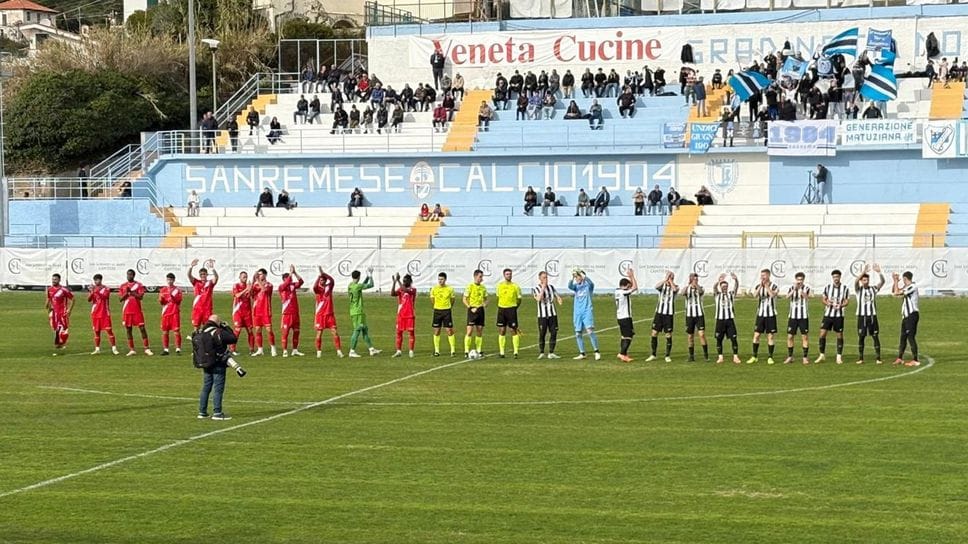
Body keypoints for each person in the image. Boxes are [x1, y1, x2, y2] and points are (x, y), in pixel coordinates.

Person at [195, 314, 247, 421]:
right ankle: (217, 413)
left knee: (206, 387)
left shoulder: (201, 331)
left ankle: (202, 412)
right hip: (218, 363)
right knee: (218, 389)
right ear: (218, 322)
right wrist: (226, 327)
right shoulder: (218, 332)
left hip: (206, 363)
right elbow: (233, 339)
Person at [815, 269, 850, 364]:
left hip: (839, 316)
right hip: (828, 315)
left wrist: (841, 305)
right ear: (832, 278)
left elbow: (847, 301)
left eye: (837, 277)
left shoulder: (845, 288)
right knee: (822, 333)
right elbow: (823, 299)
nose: (836, 278)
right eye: (834, 277)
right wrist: (828, 303)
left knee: (839, 335)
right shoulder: (828, 288)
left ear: (840, 277)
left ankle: (839, 356)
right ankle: (822, 355)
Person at [854, 264, 885, 365]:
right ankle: (861, 358)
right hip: (861, 316)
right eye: (863, 280)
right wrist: (863, 272)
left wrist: (879, 272)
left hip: (872, 316)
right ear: (861, 281)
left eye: (866, 280)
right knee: (861, 337)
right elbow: (855, 281)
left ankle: (878, 358)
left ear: (869, 281)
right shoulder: (859, 290)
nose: (865, 281)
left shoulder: (873, 289)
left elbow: (882, 282)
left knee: (875, 336)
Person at [746, 269, 779, 365]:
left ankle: (770, 357)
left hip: (771, 315)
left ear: (768, 275)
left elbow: (772, 295)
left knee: (770, 336)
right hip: (760, 315)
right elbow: (755, 295)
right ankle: (754, 356)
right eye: (761, 275)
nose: (762, 277)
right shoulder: (758, 286)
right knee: (756, 335)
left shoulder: (774, 286)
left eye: (764, 275)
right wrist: (761, 286)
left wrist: (767, 286)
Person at [119, 269, 153, 356]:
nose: (129, 276)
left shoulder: (139, 285)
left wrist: (132, 293)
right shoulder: (123, 286)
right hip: (127, 311)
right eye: (127, 274)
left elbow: (140, 297)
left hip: (137, 310)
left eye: (130, 275)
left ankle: (147, 348)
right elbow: (120, 299)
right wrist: (126, 293)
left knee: (142, 328)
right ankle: (132, 349)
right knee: (128, 329)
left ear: (134, 276)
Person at [568, 269, 600, 360]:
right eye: (576, 276)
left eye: (578, 276)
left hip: (587, 311)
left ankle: (596, 351)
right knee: (578, 333)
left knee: (590, 331)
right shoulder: (576, 287)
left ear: (582, 277)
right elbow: (569, 286)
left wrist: (583, 276)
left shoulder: (588, 286)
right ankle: (582, 353)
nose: (577, 278)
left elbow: (591, 283)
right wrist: (572, 277)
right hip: (577, 313)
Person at [348, 268, 381, 358]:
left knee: (365, 329)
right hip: (357, 312)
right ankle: (352, 351)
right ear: (359, 277)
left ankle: (371, 349)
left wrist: (367, 277)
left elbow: (362, 285)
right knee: (357, 330)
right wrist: (370, 276)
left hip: (355, 311)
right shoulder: (357, 286)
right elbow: (371, 284)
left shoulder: (351, 285)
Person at [646, 271, 677, 362]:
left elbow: (675, 290)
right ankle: (653, 354)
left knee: (668, 334)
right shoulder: (662, 287)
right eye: (668, 277)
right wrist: (665, 279)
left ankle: (667, 355)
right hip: (659, 313)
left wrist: (671, 281)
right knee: (654, 333)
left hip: (669, 314)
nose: (669, 278)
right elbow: (656, 286)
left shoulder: (675, 287)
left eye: (671, 277)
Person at [313, 267, 344, 358]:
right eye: (320, 280)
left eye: (323, 280)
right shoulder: (318, 289)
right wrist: (319, 276)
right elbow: (314, 287)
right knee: (319, 334)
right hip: (321, 315)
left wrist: (323, 273)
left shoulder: (328, 287)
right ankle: (319, 352)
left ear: (325, 281)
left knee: (335, 332)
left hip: (330, 314)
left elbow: (332, 280)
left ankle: (339, 351)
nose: (321, 281)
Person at [531, 271, 562, 359]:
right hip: (542, 316)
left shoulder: (551, 287)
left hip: (552, 314)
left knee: (554, 332)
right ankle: (541, 352)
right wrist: (543, 288)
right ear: (540, 279)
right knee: (542, 333)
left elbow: (557, 295)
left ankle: (551, 352)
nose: (546, 279)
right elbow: (538, 299)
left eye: (546, 277)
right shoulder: (536, 289)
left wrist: (559, 299)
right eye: (544, 278)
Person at [892, 271, 920, 366]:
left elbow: (896, 292)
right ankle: (900, 358)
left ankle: (915, 360)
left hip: (912, 315)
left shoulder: (913, 286)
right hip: (906, 316)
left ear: (905, 279)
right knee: (903, 337)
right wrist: (895, 281)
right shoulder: (906, 287)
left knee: (910, 337)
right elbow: (894, 292)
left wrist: (896, 281)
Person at [87, 274, 119, 355]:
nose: (96, 282)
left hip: (104, 312)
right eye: (95, 280)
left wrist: (96, 290)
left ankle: (114, 348)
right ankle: (97, 349)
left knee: (109, 330)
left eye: (98, 280)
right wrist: (91, 291)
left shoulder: (106, 288)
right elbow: (89, 299)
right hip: (95, 312)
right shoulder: (94, 289)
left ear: (101, 280)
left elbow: (104, 296)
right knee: (97, 331)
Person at [714, 273, 742, 364]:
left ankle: (735, 356)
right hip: (720, 320)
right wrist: (718, 281)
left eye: (726, 286)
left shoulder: (731, 294)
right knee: (719, 339)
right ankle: (720, 357)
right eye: (723, 286)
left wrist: (736, 280)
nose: (724, 287)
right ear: (720, 287)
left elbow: (736, 287)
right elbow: (714, 288)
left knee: (734, 338)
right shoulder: (717, 295)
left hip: (730, 320)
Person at [784, 272, 811, 365]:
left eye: (801, 279)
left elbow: (807, 298)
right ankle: (790, 356)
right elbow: (787, 297)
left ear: (803, 280)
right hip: (792, 317)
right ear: (795, 280)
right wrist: (794, 289)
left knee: (804, 336)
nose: (799, 281)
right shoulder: (792, 288)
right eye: (798, 279)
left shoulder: (806, 288)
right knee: (790, 336)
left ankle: (805, 357)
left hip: (803, 316)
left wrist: (800, 290)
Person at [681, 273, 708, 362]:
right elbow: (682, 293)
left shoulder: (700, 288)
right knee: (690, 336)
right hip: (689, 316)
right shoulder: (687, 288)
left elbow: (701, 292)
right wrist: (689, 284)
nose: (695, 281)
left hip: (699, 315)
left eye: (696, 279)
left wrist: (696, 285)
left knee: (701, 334)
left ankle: (706, 355)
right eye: (694, 279)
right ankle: (691, 356)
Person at [278, 265, 305, 357]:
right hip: (286, 314)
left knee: (296, 332)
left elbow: (301, 281)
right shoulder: (281, 287)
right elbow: (287, 283)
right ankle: (285, 350)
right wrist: (290, 273)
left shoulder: (293, 286)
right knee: (285, 333)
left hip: (295, 313)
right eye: (287, 278)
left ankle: (295, 350)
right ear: (284, 279)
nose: (290, 280)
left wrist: (295, 273)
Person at [461, 269, 488, 356]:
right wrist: (470, 307)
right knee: (469, 331)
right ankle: (466, 351)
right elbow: (464, 299)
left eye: (482, 277)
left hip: (480, 311)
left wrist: (484, 304)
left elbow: (486, 299)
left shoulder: (483, 288)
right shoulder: (470, 286)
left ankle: (479, 350)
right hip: (472, 310)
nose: (481, 279)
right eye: (480, 277)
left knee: (479, 330)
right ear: (475, 276)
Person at [389, 273, 417, 358]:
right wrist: (394, 282)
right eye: (403, 280)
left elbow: (406, 290)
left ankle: (411, 351)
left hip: (410, 315)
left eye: (405, 281)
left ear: (410, 281)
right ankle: (398, 351)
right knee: (398, 333)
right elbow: (392, 294)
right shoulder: (401, 289)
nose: (404, 282)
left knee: (411, 333)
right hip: (401, 314)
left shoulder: (413, 290)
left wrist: (398, 280)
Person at [614, 268, 639, 363]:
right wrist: (632, 276)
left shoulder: (617, 291)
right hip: (625, 317)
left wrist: (629, 277)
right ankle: (622, 353)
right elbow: (635, 287)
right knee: (629, 336)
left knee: (624, 336)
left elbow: (631, 286)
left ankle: (624, 354)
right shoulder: (623, 293)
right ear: (625, 286)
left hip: (620, 317)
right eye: (628, 286)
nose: (630, 287)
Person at [251, 268, 277, 357]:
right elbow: (251, 294)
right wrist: (252, 281)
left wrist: (257, 280)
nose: (259, 275)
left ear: (265, 275)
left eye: (261, 274)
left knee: (269, 330)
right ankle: (260, 350)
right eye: (258, 274)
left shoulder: (269, 285)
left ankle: (273, 348)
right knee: (258, 330)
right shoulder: (255, 285)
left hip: (266, 310)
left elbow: (264, 290)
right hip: (257, 310)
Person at [430, 272, 457, 357]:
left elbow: (452, 300)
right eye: (439, 279)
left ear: (445, 279)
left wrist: (448, 307)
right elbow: (432, 299)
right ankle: (437, 351)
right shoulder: (434, 289)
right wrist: (437, 306)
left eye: (441, 279)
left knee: (449, 330)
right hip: (437, 311)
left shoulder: (450, 289)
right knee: (437, 331)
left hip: (446, 311)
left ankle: (452, 350)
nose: (440, 281)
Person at [46, 273, 74, 353]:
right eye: (53, 279)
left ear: (59, 280)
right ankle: (58, 344)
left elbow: (73, 299)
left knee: (64, 329)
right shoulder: (50, 289)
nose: (53, 281)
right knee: (56, 329)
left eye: (55, 279)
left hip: (62, 312)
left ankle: (62, 343)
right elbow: (49, 299)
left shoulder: (63, 290)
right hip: (54, 313)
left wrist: (69, 310)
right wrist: (47, 308)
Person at [188, 259, 218, 331]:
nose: (203, 276)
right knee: (196, 328)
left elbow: (216, 277)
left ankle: (205, 341)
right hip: (197, 309)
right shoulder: (196, 282)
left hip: (207, 309)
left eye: (204, 274)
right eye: (201, 274)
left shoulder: (210, 283)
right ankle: (196, 341)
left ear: (207, 274)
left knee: (207, 328)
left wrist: (212, 268)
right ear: (199, 275)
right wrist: (191, 267)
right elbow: (189, 275)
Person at [231, 271, 255, 355]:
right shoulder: (236, 285)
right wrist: (246, 289)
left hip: (247, 312)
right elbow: (237, 295)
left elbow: (252, 296)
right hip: (238, 312)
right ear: (240, 277)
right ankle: (232, 349)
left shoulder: (248, 286)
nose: (245, 278)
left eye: (246, 276)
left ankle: (251, 350)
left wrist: (251, 288)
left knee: (250, 331)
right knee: (237, 330)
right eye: (243, 277)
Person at [159, 273, 184, 356]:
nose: (169, 281)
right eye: (168, 279)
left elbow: (178, 301)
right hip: (166, 313)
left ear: (174, 280)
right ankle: (166, 349)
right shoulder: (163, 290)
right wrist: (161, 299)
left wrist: (172, 296)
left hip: (174, 312)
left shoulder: (177, 290)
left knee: (176, 331)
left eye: (171, 279)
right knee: (165, 331)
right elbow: (162, 302)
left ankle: (178, 349)